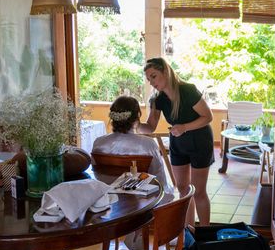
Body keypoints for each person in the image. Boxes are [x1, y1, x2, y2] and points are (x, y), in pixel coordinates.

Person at [138, 57, 214, 227]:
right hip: (178, 144)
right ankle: (188, 233)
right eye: (148, 79)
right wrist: (134, 123)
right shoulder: (158, 99)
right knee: (183, 190)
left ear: (165, 72)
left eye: (154, 76)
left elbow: (208, 117)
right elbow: (149, 127)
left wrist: (185, 127)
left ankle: (204, 234)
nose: (151, 82)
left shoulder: (187, 90)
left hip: (200, 142)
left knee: (198, 191)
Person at [91, 95, 173, 195]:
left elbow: (98, 176)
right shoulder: (148, 144)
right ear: (137, 116)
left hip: (109, 199)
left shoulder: (99, 143)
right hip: (141, 199)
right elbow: (160, 181)